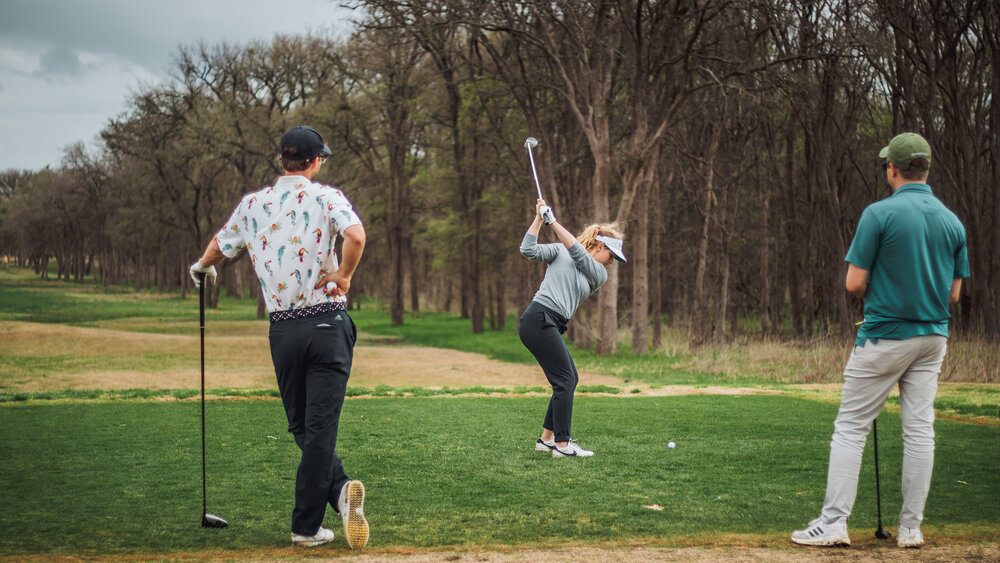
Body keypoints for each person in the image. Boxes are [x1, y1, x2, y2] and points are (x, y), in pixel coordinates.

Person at [190, 126, 369, 549]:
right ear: (315, 161)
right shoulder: (327, 196)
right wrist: (344, 275)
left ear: (283, 161)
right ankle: (313, 520)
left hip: (283, 330)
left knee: (302, 426)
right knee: (318, 428)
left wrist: (202, 266)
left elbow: (219, 245)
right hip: (327, 323)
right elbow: (356, 236)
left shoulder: (253, 204)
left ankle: (335, 497)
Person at [791, 132, 969, 549]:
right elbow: (954, 294)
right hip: (933, 338)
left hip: (886, 335)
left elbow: (854, 283)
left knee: (851, 427)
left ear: (892, 168)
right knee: (920, 430)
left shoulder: (879, 213)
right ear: (925, 169)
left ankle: (834, 523)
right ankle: (911, 529)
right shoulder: (953, 221)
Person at [518, 198, 626, 458]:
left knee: (569, 379)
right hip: (539, 318)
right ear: (600, 246)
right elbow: (527, 249)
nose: (612, 262)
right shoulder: (559, 251)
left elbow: (577, 252)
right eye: (611, 255)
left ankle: (547, 440)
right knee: (565, 380)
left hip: (548, 322)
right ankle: (562, 446)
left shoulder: (598, 273)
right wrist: (539, 219)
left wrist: (553, 221)